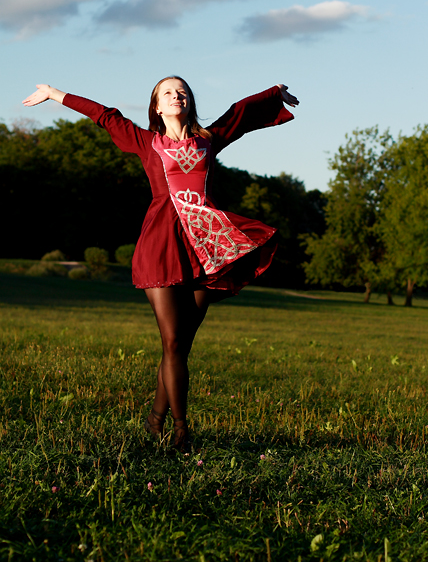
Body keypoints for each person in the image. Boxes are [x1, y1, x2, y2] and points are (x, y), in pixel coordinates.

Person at [23, 78, 299, 451]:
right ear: (156, 106)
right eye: (167, 92)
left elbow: (239, 114)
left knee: (181, 345)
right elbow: (105, 116)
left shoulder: (208, 138)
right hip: (161, 246)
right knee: (171, 340)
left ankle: (155, 418)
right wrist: (55, 94)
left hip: (208, 247)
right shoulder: (145, 142)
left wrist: (272, 95)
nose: (176, 95)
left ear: (190, 101)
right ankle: (182, 429)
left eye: (182, 90)